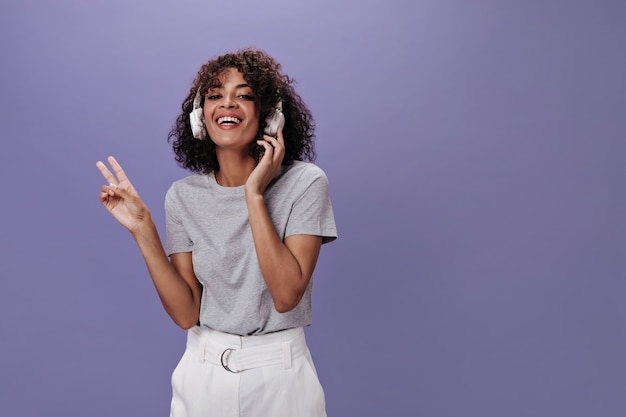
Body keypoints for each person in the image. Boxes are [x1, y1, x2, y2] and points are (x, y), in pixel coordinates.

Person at [96, 48, 337, 417]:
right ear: (200, 116)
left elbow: (286, 295)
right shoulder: (183, 196)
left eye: (245, 95)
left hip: (282, 381)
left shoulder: (304, 183)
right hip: (202, 374)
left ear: (270, 117)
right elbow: (185, 314)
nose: (228, 104)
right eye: (214, 95)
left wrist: (254, 194)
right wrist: (143, 228)